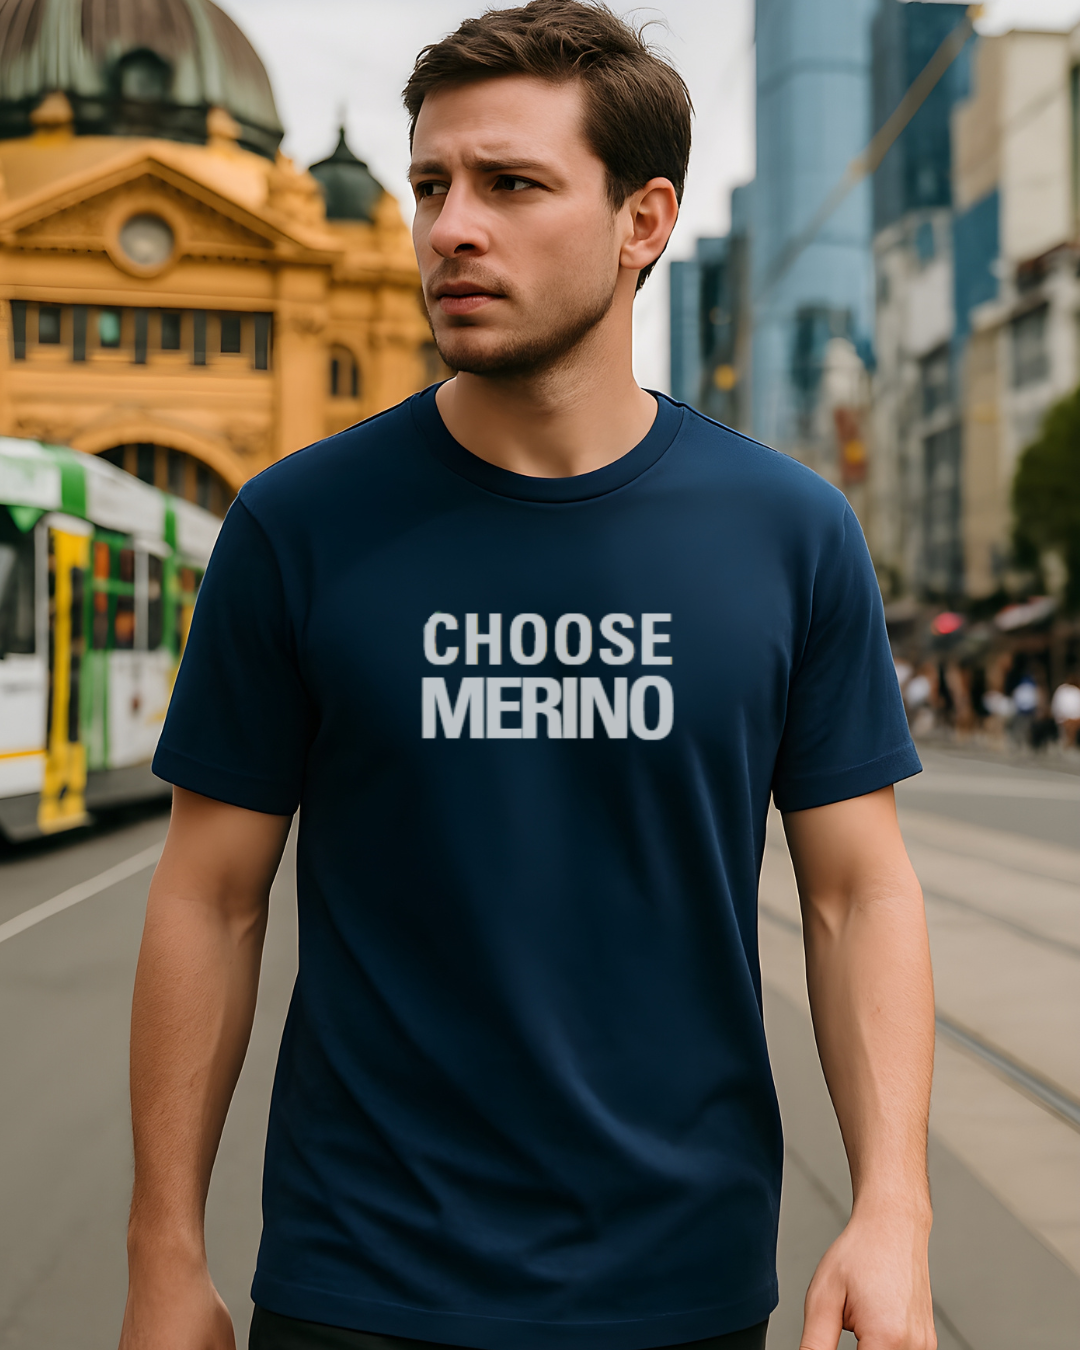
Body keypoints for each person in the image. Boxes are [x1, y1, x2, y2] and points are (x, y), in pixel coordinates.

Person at [118, 5, 935, 1350]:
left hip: (683, 1284)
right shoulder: (298, 524)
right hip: (356, 1279)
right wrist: (162, 1252)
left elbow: (858, 892)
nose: (450, 227)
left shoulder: (789, 533)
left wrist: (892, 1206)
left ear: (643, 220)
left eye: (510, 184)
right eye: (431, 184)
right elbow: (209, 897)